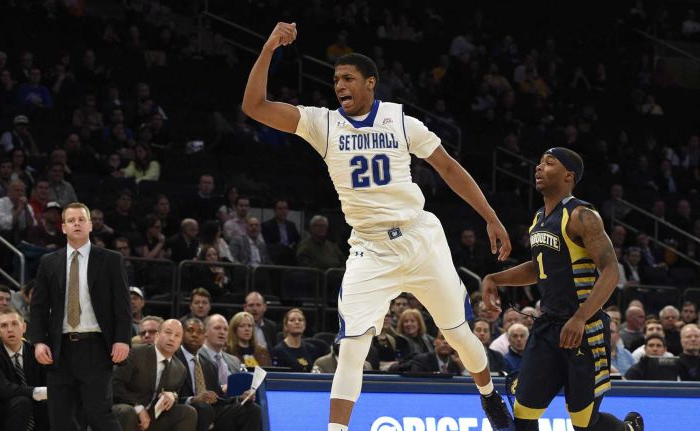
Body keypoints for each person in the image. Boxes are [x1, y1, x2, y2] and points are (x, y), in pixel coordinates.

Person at [243, 23, 514, 431]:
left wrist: (491, 216)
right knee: (352, 348)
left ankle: (490, 394)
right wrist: (268, 49)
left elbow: (448, 167)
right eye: (335, 80)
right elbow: (256, 106)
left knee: (458, 335)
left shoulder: (402, 121)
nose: (339, 85)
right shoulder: (323, 124)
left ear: (371, 83)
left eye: (348, 78)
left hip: (420, 238)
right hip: (370, 249)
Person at [481, 147, 643, 430]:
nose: (539, 167)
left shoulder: (582, 215)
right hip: (547, 329)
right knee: (523, 414)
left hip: (583, 328)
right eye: (539, 162)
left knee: (584, 423)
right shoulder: (539, 218)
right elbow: (538, 267)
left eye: (549, 163)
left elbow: (611, 270)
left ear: (568, 176)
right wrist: (495, 278)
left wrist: (580, 317)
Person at [28, 202, 132, 431]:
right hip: (60, 347)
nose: (77, 224)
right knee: (61, 417)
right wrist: (38, 341)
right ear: (63, 227)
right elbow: (38, 307)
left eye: (81, 219)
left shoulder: (110, 259)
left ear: (90, 225)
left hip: (95, 345)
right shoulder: (49, 261)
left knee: (99, 413)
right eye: (71, 220)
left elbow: (123, 305)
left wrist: (123, 338)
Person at [175, 317, 261, 431]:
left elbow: (219, 398)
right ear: (181, 333)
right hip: (187, 408)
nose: (195, 335)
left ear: (204, 335)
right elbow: (170, 395)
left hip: (212, 410)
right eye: (190, 330)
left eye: (200, 332)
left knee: (252, 409)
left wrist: (240, 398)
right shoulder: (173, 358)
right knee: (203, 408)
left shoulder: (209, 364)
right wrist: (194, 399)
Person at [112, 319, 198, 431]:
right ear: (157, 335)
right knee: (128, 411)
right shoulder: (136, 353)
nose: (172, 338)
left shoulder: (180, 369)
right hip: (125, 409)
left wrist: (173, 395)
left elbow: (175, 396)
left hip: (153, 417)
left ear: (180, 341)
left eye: (177, 335)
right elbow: (115, 384)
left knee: (188, 412)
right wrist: (137, 407)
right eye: (168, 332)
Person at [0, 307, 49, 431]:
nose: (10, 330)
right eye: (4, 326)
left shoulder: (35, 351)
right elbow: (3, 389)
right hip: (5, 409)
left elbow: (46, 381)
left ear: (24, 328)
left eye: (15, 324)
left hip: (35, 407)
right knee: (22, 402)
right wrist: (36, 392)